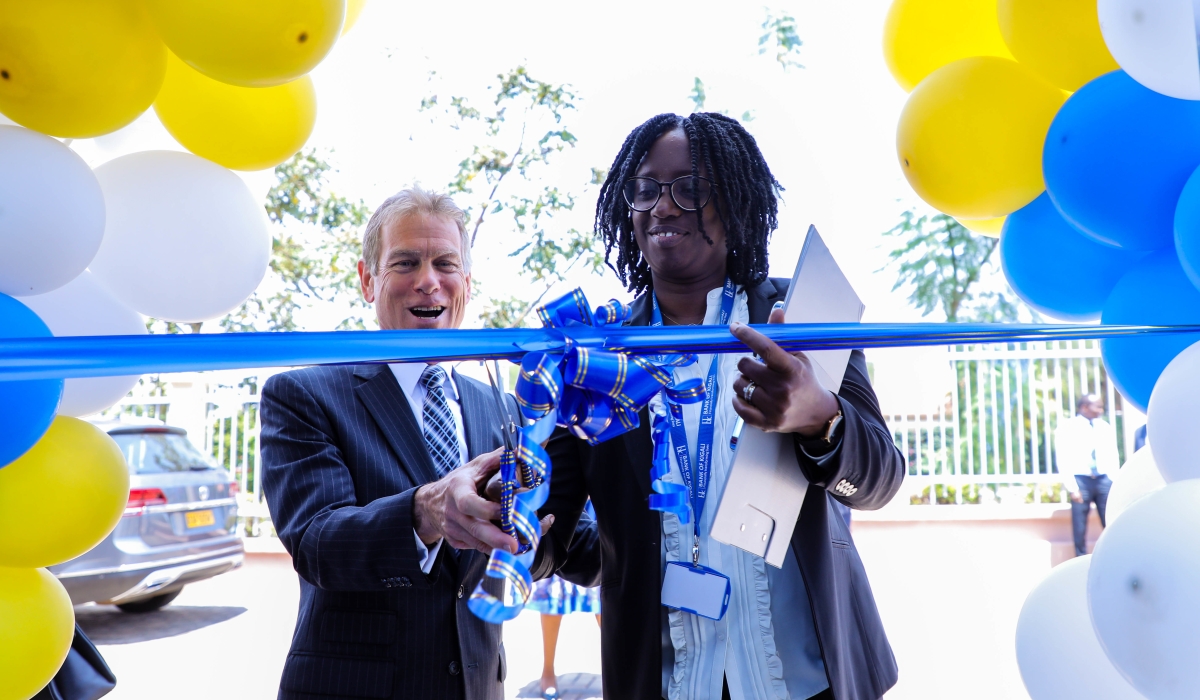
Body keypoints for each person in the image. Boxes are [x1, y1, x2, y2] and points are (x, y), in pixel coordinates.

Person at [533, 113, 906, 700]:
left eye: (691, 187)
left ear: (734, 204)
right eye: (646, 189)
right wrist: (507, 523)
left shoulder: (803, 315)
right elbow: (547, 531)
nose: (663, 206)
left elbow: (879, 479)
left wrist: (819, 418)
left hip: (810, 680)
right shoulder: (595, 357)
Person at [259, 186, 520, 700]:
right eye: (405, 263)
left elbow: (570, 547)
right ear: (367, 280)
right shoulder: (303, 393)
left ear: (465, 283)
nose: (428, 282)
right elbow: (316, 544)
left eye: (445, 263)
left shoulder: (503, 407)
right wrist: (427, 511)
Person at [530, 502, 602, 699]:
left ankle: (616, 669)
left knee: (604, 603)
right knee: (554, 601)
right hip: (563, 501)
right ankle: (547, 670)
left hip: (596, 506)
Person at [1055, 393, 1119, 557]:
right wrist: (1072, 487)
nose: (1100, 409)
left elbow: (1113, 453)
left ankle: (1115, 555)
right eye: (1097, 406)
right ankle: (1080, 558)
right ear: (1084, 407)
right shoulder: (1068, 427)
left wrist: (1113, 478)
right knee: (1080, 525)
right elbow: (1063, 458)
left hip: (1103, 478)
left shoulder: (1104, 426)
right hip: (1081, 480)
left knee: (1111, 520)